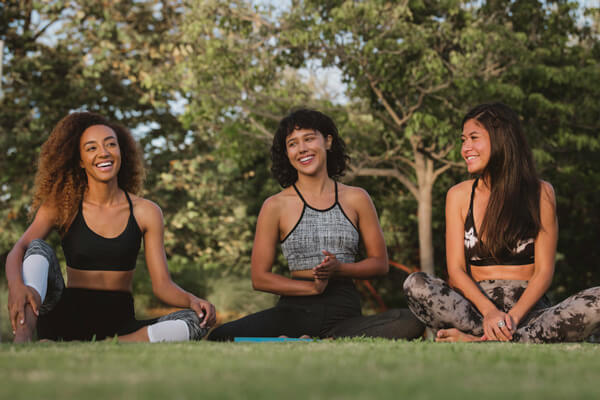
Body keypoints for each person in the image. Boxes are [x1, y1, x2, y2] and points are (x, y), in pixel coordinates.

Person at [208, 108, 424, 341]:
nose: (302, 149)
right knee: (221, 335)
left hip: (343, 315)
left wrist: (339, 269)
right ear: (287, 152)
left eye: (309, 139)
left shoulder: (357, 198)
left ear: (328, 141)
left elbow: (379, 264)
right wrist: (311, 288)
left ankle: (309, 342)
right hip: (292, 312)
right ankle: (309, 341)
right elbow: (260, 277)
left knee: (410, 321)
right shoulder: (275, 205)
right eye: (292, 143)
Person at [6, 112, 216, 342]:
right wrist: (17, 286)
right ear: (79, 160)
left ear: (121, 152)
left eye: (110, 144)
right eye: (91, 148)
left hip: (120, 325)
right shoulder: (62, 205)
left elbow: (162, 285)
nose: (103, 153)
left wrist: (191, 300)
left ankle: (90, 346)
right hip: (65, 315)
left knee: (196, 321)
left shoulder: (146, 211)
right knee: (37, 247)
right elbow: (20, 249)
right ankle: (24, 339)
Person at [403, 102, 600, 343]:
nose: (466, 148)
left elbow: (544, 271)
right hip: (476, 313)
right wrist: (489, 312)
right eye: (463, 140)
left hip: (531, 314)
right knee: (416, 284)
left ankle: (479, 341)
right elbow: (456, 270)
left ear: (501, 139)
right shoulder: (458, 195)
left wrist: (513, 318)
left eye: (474, 138)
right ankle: (514, 339)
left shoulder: (541, 193)